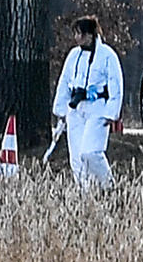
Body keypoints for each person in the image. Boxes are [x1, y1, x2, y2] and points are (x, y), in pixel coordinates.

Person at [51, 15, 123, 188]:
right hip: (76, 109)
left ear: (90, 35)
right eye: (75, 33)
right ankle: (86, 191)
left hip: (97, 107)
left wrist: (112, 113)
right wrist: (61, 111)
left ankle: (108, 185)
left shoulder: (107, 55)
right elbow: (64, 81)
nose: (77, 38)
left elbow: (116, 83)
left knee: (90, 152)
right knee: (76, 156)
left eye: (80, 34)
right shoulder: (73, 55)